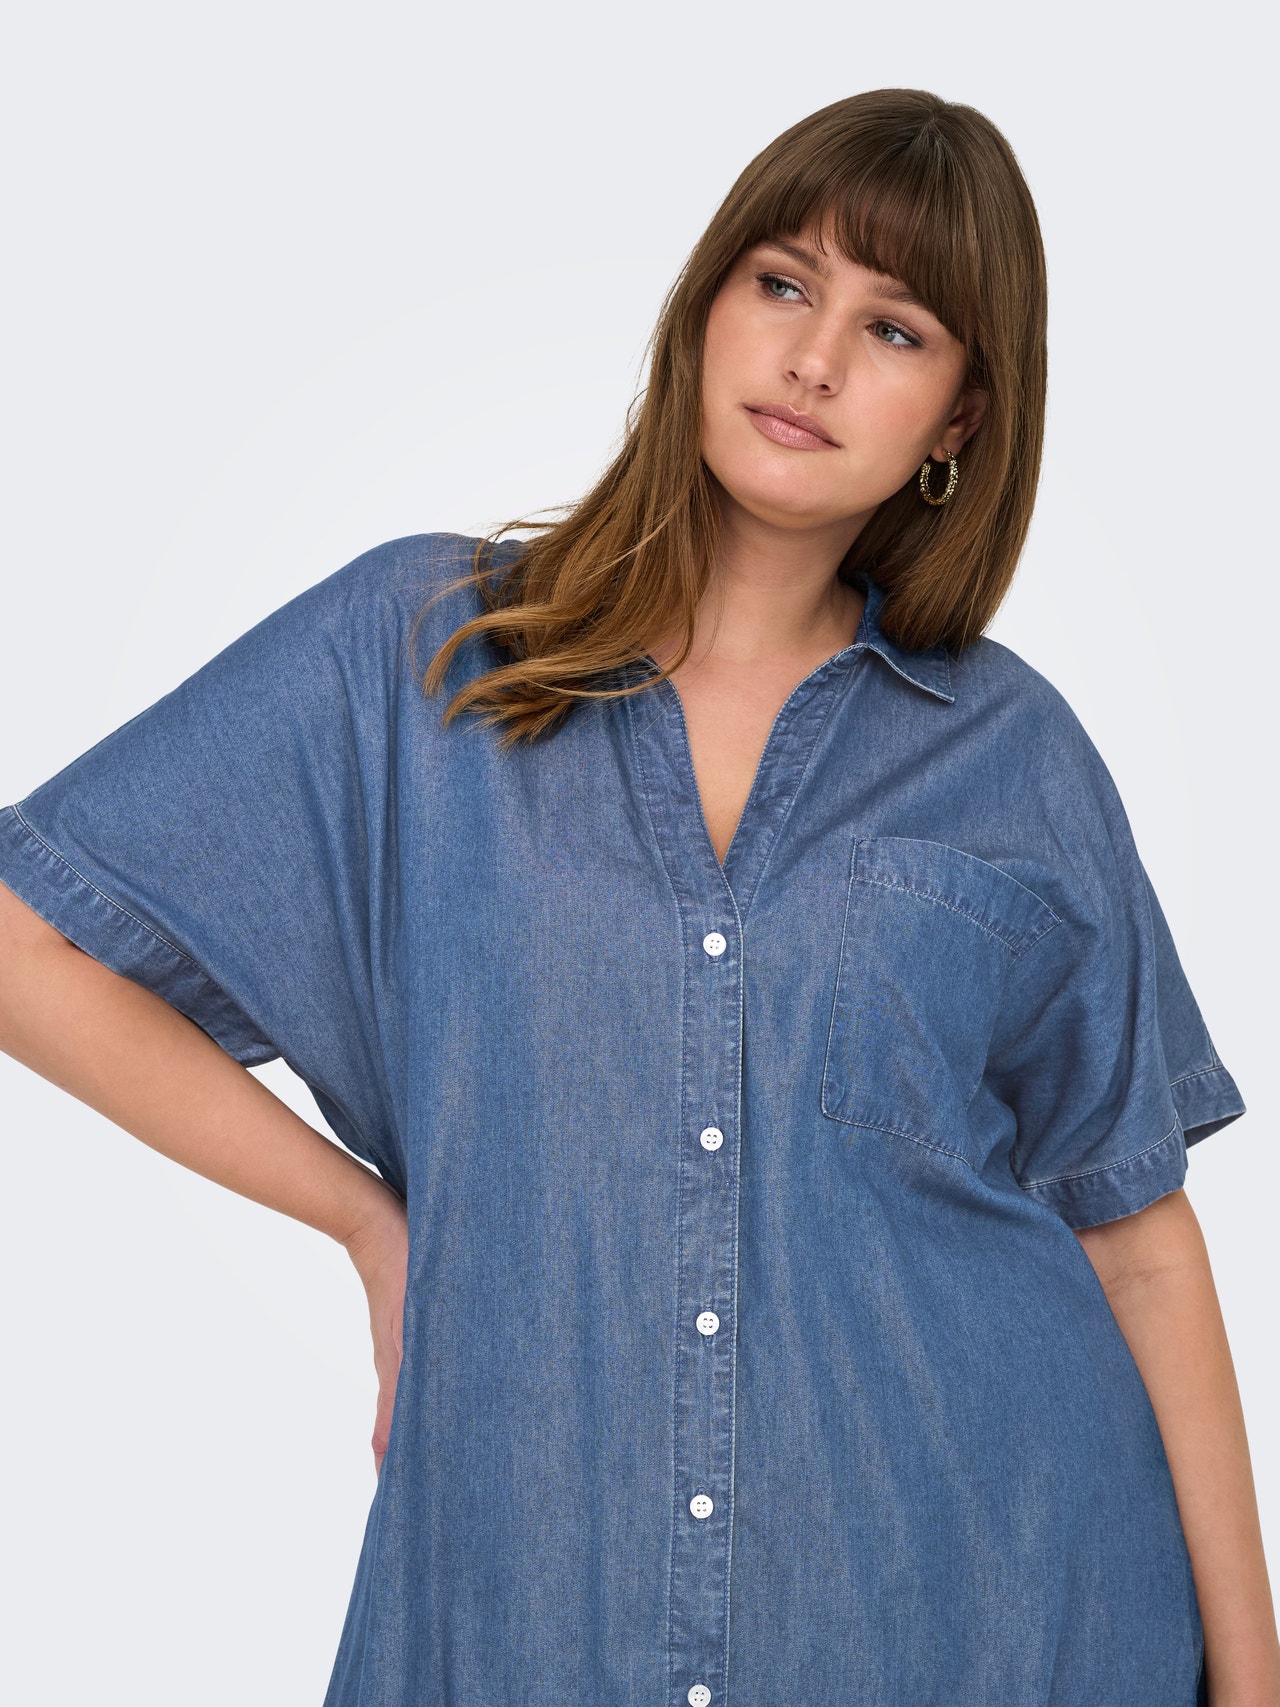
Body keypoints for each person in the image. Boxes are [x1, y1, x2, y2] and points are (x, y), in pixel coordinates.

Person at [0, 86, 1274, 1707]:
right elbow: (25, 940)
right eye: (785, 283)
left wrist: (1253, 1681)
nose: (814, 358)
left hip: (987, 1605)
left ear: (958, 419)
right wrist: (369, 1222)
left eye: (895, 330)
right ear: (706, 306)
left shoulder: (1010, 753)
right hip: (537, 1613)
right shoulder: (428, 656)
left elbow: (1137, 1231)